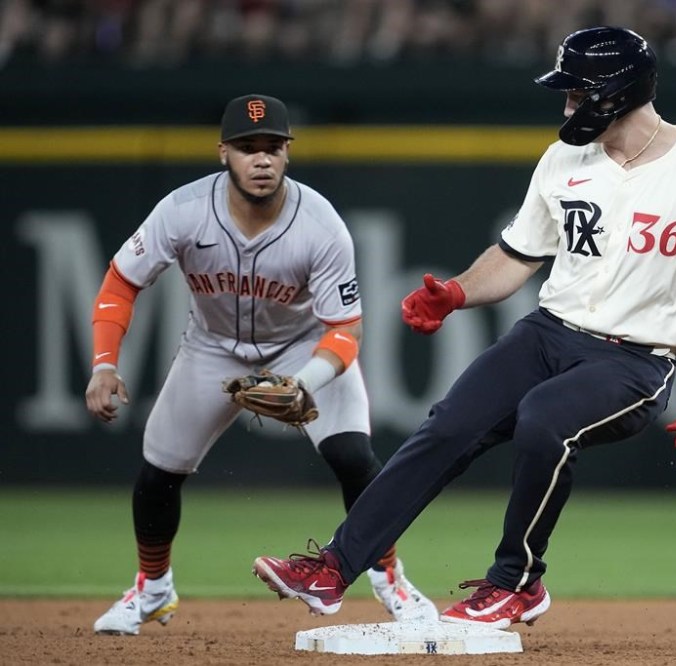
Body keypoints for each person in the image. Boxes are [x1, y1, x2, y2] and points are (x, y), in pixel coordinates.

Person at [253, 25, 676, 628]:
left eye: (577, 91)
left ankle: (517, 583)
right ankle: (333, 570)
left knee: (546, 418)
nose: (567, 104)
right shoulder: (564, 158)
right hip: (548, 333)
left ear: (615, 93)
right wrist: (459, 291)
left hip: (635, 360)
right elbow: (519, 255)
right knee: (447, 426)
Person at [86, 93, 438, 635]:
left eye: (273, 147)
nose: (262, 159)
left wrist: (305, 381)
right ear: (223, 152)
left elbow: (346, 329)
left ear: (288, 154)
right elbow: (121, 281)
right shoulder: (182, 210)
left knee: (355, 459)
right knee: (158, 475)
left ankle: (391, 579)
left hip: (302, 347)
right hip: (210, 347)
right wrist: (104, 364)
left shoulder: (320, 224)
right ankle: (153, 590)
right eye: (248, 148)